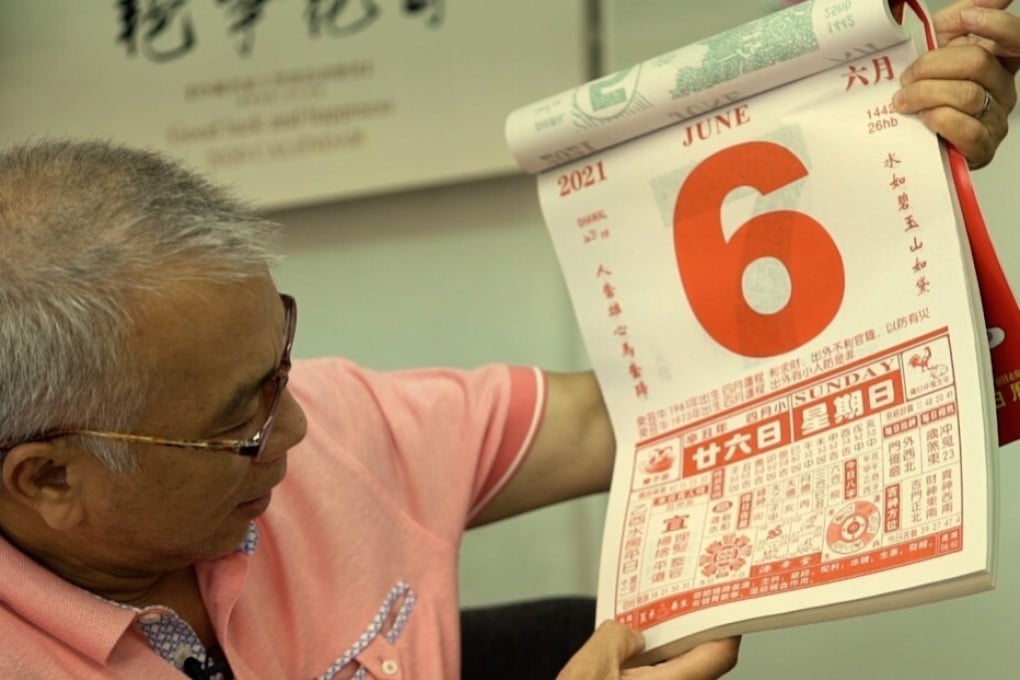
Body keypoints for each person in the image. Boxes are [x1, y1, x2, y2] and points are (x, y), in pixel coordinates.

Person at [0, 1, 1017, 678]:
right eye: (239, 421)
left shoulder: (341, 421)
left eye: (280, 364)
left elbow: (647, 412)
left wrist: (891, 187)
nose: (302, 426)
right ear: (48, 476)